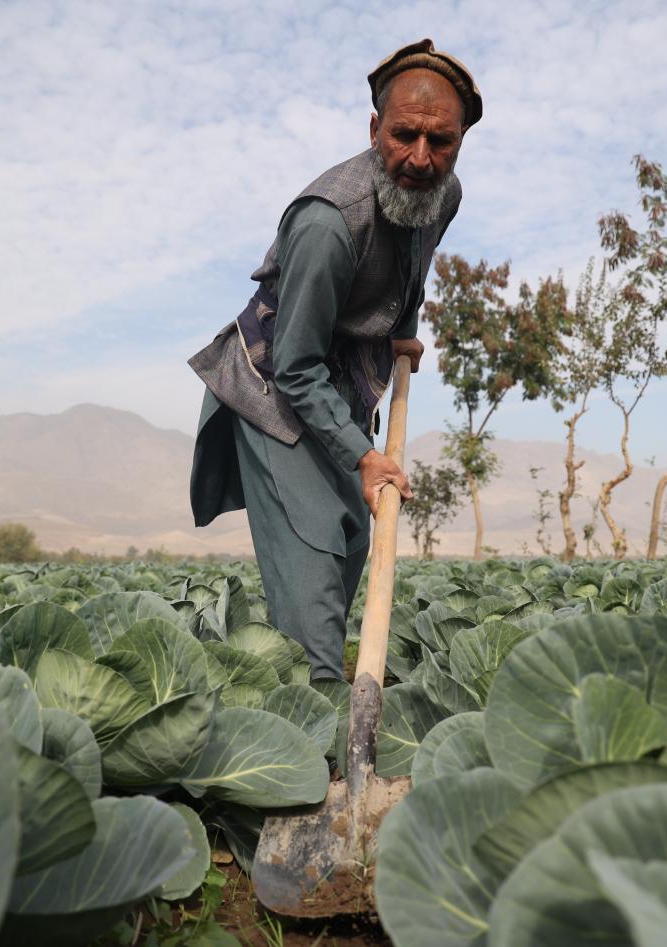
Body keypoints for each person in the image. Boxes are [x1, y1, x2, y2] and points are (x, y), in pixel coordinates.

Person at [187, 39, 481, 680]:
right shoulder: (330, 222)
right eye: (404, 136)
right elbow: (294, 365)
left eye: (442, 142)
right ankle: (309, 710)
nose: (421, 159)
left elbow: (414, 264)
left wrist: (400, 329)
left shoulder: (444, 193)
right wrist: (365, 454)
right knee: (314, 548)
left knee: (353, 535)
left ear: (460, 141)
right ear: (375, 128)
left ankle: (316, 691)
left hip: (341, 375)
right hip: (275, 383)